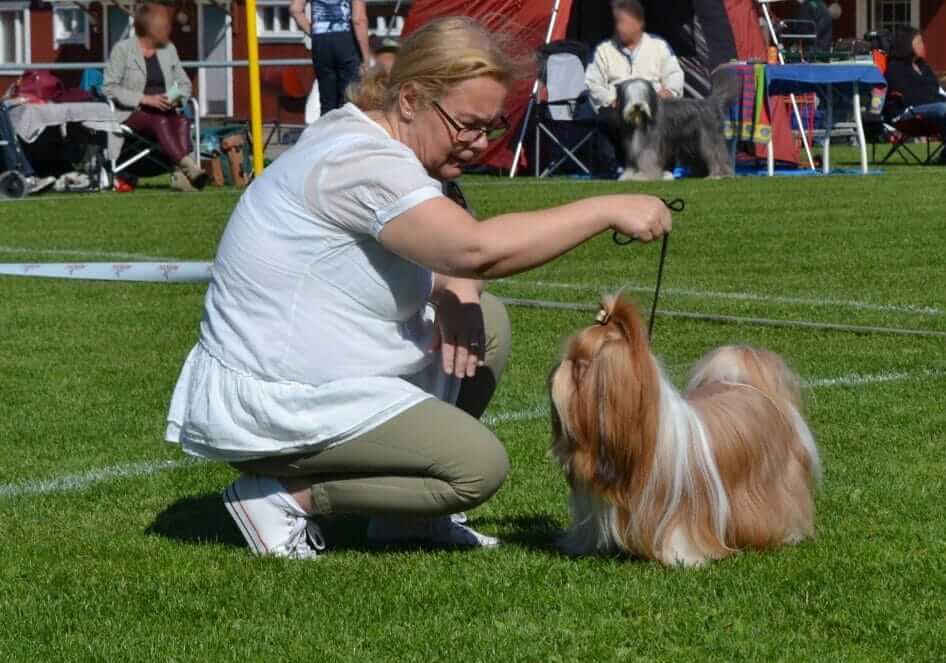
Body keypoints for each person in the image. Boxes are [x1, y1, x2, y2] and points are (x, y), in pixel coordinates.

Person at [165, 17, 672, 560]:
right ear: (410, 100)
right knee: (476, 470)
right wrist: (608, 207)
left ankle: (406, 521)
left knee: (486, 320)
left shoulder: (370, 135)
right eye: (468, 126)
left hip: (315, 364)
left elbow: (454, 256)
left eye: (492, 128)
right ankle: (284, 496)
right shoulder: (363, 164)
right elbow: (474, 249)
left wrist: (461, 288)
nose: (479, 144)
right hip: (275, 396)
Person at [103, 4, 207, 191]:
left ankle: (180, 177)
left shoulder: (169, 49)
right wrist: (144, 99)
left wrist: (173, 97)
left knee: (182, 120)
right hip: (132, 112)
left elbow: (185, 84)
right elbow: (110, 88)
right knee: (159, 120)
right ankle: (187, 167)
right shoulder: (123, 49)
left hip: (166, 109)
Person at [585, 0, 684, 175]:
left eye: (624, 23)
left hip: (654, 103)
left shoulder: (658, 46)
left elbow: (674, 74)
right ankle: (614, 168)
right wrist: (610, 99)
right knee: (608, 119)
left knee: (670, 115)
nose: (619, 27)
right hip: (618, 105)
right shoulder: (604, 50)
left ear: (638, 24)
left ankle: (665, 169)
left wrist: (670, 91)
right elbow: (593, 83)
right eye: (617, 23)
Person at [291, 0, 373, 116]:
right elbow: (358, 19)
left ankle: (327, 132)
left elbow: (295, 9)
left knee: (327, 103)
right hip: (346, 42)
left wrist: (313, 32)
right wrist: (366, 56)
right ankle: (345, 132)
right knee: (348, 101)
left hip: (321, 43)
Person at [883, 26, 946, 125]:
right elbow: (908, 97)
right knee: (945, 108)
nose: (923, 46)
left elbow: (935, 88)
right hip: (906, 111)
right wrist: (937, 99)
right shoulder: (895, 67)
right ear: (906, 45)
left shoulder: (923, 66)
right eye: (919, 42)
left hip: (929, 105)